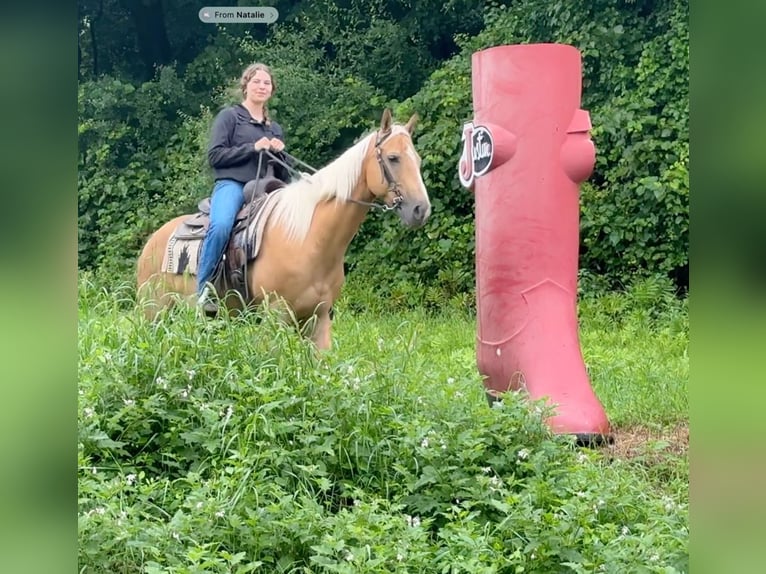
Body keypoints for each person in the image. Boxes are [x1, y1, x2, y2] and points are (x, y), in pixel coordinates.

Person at [196, 62, 289, 315]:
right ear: (245, 86)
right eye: (256, 81)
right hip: (233, 184)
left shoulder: (274, 128)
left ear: (272, 90)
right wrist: (253, 147)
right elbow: (215, 156)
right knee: (222, 225)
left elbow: (283, 173)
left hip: (267, 189)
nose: (262, 86)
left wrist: (282, 155)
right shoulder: (230, 117)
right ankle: (204, 290)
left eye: (266, 83)